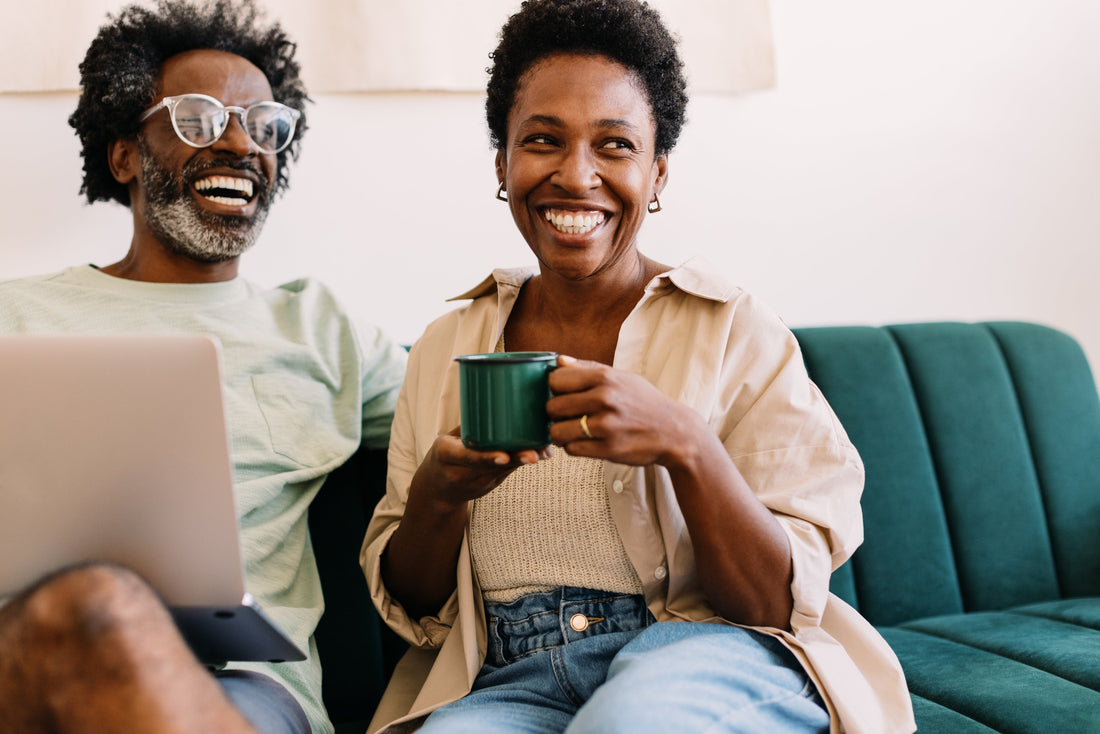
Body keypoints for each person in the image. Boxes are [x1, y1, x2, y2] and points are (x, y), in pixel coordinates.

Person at [361, 0, 916, 732]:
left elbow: (772, 606)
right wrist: (438, 493)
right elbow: (417, 611)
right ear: (503, 163)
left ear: (657, 173)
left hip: (702, 652)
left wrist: (686, 445)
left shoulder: (733, 329)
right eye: (542, 140)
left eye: (615, 145)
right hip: (506, 678)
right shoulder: (446, 345)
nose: (576, 174)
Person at [0, 1, 406, 732]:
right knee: (87, 610)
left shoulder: (324, 332)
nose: (237, 143)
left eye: (263, 126)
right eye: (197, 118)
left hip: (240, 690)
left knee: (107, 613)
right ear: (125, 154)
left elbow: (478, 413)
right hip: (21, 656)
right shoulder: (12, 318)